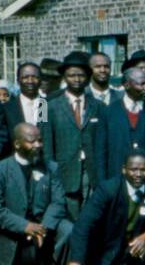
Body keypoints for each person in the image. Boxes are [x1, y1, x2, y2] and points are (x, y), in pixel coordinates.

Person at [0, 123, 71, 265]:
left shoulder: (51, 167)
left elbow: (58, 202)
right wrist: (25, 226)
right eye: (32, 141)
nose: (38, 145)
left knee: (68, 229)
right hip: (14, 227)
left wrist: (43, 228)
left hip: (44, 224)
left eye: (40, 140)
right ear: (17, 144)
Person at [42, 52, 102, 220]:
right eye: (71, 75)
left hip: (90, 170)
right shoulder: (44, 105)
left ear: (88, 77)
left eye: (81, 75)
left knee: (90, 218)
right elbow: (44, 142)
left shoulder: (99, 106)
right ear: (64, 77)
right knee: (67, 219)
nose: (76, 79)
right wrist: (50, 172)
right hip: (63, 171)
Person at [95, 66, 145, 184]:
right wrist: (103, 184)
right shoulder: (108, 112)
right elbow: (101, 152)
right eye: (141, 84)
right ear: (127, 85)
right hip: (117, 181)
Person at [7, 61, 47, 128]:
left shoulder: (47, 105)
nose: (30, 81)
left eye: (34, 77)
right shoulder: (7, 108)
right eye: (25, 77)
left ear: (40, 80)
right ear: (18, 81)